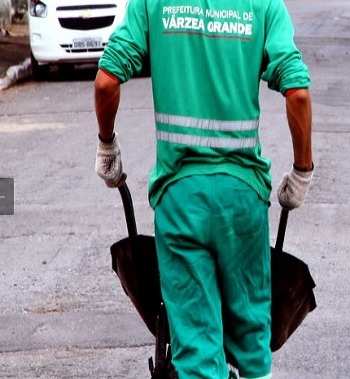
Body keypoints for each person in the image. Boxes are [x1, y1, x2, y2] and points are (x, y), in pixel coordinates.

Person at [93, 0, 313, 378]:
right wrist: (302, 170)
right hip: (243, 201)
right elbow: (298, 94)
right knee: (253, 344)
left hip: (181, 202)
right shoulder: (264, 6)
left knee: (195, 351)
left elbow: (106, 81)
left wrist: (107, 144)